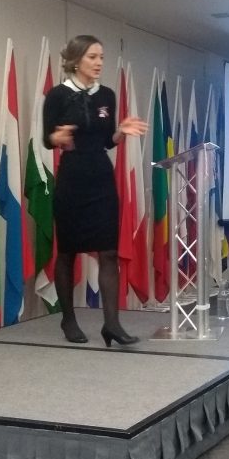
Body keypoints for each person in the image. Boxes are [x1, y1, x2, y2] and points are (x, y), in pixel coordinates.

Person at [43, 35, 148, 345]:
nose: (99, 62)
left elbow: (106, 141)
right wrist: (57, 138)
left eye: (101, 57)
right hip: (72, 178)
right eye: (92, 57)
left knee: (109, 251)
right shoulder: (57, 95)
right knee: (67, 252)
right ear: (76, 60)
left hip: (101, 178)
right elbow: (47, 138)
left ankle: (112, 324)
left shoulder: (107, 95)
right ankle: (68, 320)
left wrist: (120, 133)